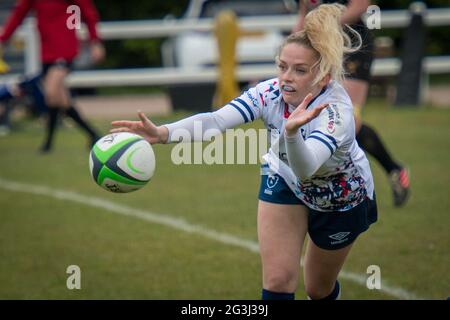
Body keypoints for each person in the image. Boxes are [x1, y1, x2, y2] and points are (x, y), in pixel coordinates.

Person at [111, 4, 378, 300]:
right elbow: (215, 120)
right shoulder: (271, 92)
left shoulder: (337, 112)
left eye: (299, 70)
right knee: (277, 281)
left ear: (324, 77)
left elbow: (308, 167)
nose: (286, 77)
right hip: (285, 180)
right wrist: (163, 134)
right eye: (282, 66)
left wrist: (290, 133)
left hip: (341, 196)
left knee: (318, 289)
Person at [293, 0, 410, 207]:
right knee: (322, 116)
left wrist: (325, 25)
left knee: (349, 120)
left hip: (351, 45)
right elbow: (304, 13)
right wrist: (295, 43)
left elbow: (361, 5)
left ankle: (385, 173)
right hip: (319, 46)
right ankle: (390, 170)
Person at [0, 0, 105, 153]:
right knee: (60, 99)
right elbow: (19, 14)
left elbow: (88, 12)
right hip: (46, 54)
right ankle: (93, 134)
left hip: (65, 49)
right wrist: (4, 39)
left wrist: (95, 41)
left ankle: (48, 144)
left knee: (51, 92)